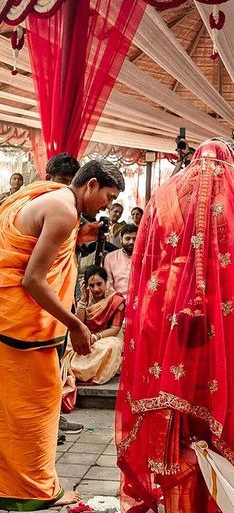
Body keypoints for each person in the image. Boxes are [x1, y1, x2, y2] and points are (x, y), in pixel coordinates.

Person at [116, 140, 234, 513]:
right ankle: (216, 499)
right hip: (228, 322)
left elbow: (144, 263)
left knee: (174, 402)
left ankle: (177, 499)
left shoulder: (165, 196)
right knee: (218, 397)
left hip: (166, 311)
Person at [0, 160, 124, 511]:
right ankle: (33, 491)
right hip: (22, 323)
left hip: (9, 317)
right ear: (92, 185)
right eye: (108, 196)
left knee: (10, 408)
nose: (106, 205)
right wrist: (76, 324)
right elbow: (33, 279)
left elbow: (31, 240)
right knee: (36, 406)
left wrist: (77, 236)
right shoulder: (63, 211)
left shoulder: (51, 194)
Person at [45, 153, 84, 438]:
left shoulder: (70, 209)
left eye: (71, 183)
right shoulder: (41, 206)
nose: (65, 188)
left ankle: (54, 420)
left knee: (59, 364)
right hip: (38, 305)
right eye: (61, 181)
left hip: (62, 297)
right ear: (48, 179)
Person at [61, 265, 125, 407]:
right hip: (88, 334)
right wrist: (83, 300)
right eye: (91, 285)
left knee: (109, 346)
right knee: (67, 341)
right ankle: (78, 369)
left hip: (108, 336)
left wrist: (96, 337)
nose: (96, 289)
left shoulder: (117, 301)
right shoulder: (86, 298)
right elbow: (78, 323)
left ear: (106, 282)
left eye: (99, 284)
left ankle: (83, 371)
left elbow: (114, 329)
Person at [103, 224, 138, 298]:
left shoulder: (144, 258)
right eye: (127, 238)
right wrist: (118, 302)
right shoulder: (110, 258)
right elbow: (108, 284)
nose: (131, 242)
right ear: (121, 239)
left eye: (135, 239)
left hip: (139, 302)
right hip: (117, 303)